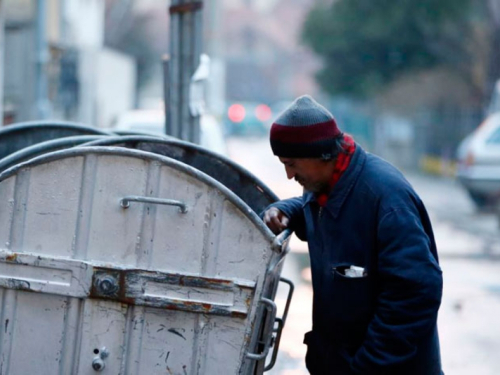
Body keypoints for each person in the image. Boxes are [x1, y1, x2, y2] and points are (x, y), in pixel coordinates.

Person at [263, 95, 443, 375]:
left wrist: (367, 367)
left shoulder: (386, 199)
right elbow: (316, 210)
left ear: (321, 154)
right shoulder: (324, 186)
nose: (288, 175)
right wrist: (287, 210)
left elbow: (415, 294)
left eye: (292, 163)